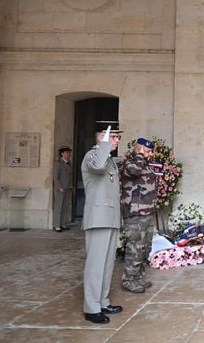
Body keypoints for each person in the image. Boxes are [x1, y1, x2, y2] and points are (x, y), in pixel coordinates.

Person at [81, 121, 124, 324]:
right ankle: (91, 307)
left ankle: (102, 301)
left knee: (107, 264)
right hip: (98, 218)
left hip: (110, 217)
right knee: (95, 265)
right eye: (114, 137)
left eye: (117, 137)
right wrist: (104, 144)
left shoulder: (109, 159)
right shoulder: (93, 156)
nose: (117, 140)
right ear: (102, 138)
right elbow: (97, 166)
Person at [119, 138, 158, 293]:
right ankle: (129, 280)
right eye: (147, 151)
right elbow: (134, 171)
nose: (150, 154)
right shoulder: (129, 163)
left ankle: (138, 278)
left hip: (147, 212)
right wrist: (139, 155)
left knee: (145, 248)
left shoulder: (144, 164)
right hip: (134, 213)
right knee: (134, 247)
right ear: (139, 150)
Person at [53, 145, 73, 232]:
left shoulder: (69, 163)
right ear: (62, 153)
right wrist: (59, 187)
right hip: (60, 189)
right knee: (59, 207)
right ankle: (57, 225)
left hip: (68, 188)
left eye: (69, 153)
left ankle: (63, 224)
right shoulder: (58, 164)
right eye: (67, 153)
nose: (68, 154)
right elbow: (55, 177)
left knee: (65, 207)